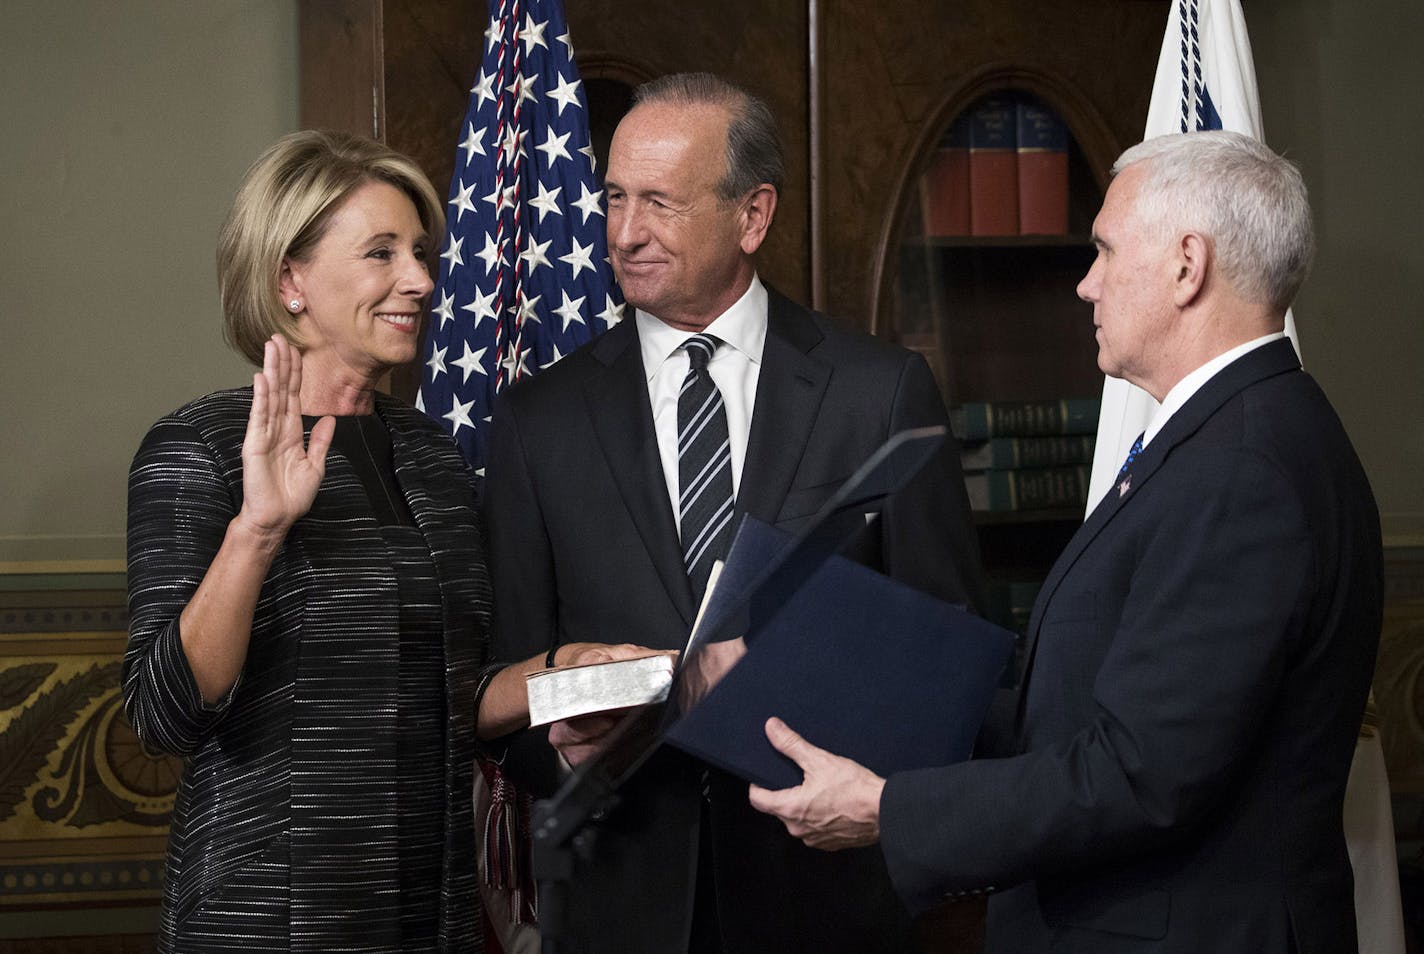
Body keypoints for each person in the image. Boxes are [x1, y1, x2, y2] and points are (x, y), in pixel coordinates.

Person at [749, 130, 1384, 954]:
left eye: (1105, 251)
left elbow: (1142, 775)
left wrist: (887, 811)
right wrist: (851, 681)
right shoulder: (1235, 433)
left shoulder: (1241, 468)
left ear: (1188, 266)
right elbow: (1088, 709)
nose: (1085, 285)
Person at [482, 73, 983, 953]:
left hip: (826, 898)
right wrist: (566, 749)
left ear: (753, 216)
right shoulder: (538, 421)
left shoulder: (880, 393)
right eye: (614, 198)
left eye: (660, 204)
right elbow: (500, 681)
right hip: (622, 904)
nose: (624, 233)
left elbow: (948, 655)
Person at [122, 129, 634, 953]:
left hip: (427, 914)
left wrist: (559, 675)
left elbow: (451, 698)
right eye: (382, 254)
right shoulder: (201, 447)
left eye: (421, 253)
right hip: (269, 919)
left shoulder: (430, 453)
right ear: (291, 279)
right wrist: (257, 531)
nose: (421, 280)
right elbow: (164, 717)